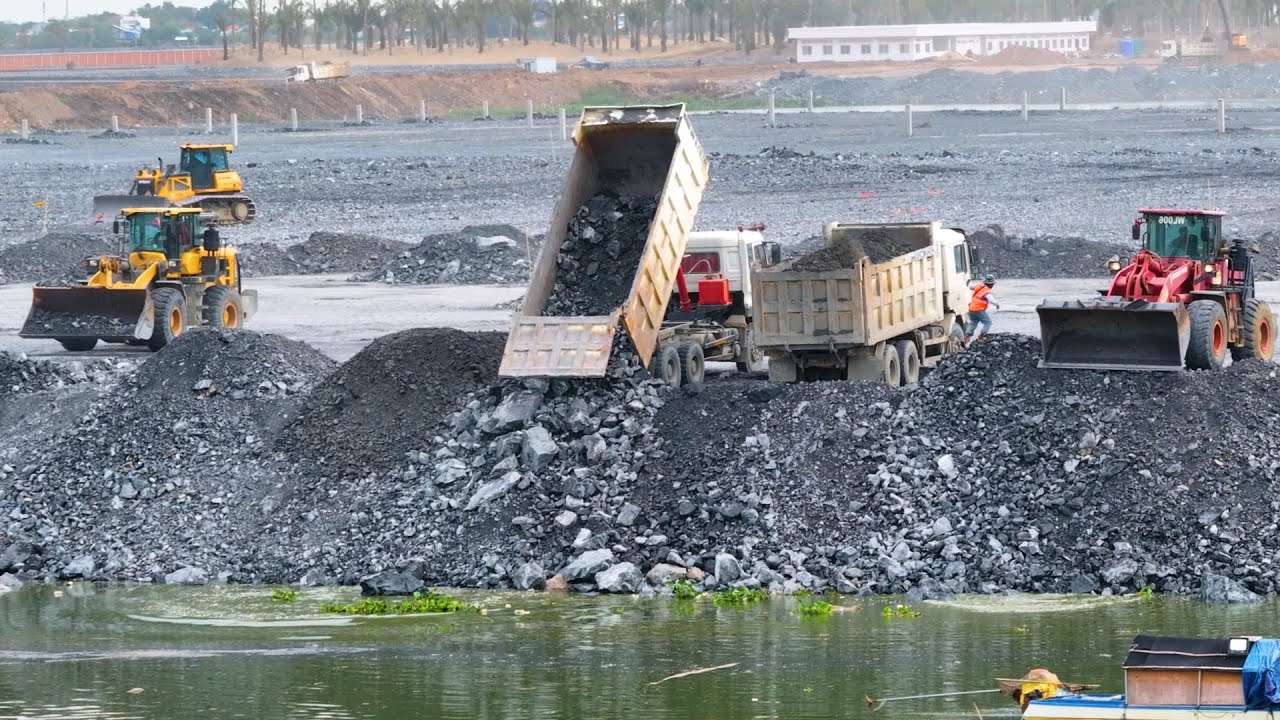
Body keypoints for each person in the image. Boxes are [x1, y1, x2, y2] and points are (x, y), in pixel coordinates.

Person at [965, 274, 999, 346]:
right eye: (992, 284)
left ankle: (966, 336)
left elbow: (971, 287)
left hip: (971, 308)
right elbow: (991, 300)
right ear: (989, 284)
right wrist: (997, 304)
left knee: (973, 322)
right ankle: (981, 337)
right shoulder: (986, 291)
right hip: (979, 309)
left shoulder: (979, 286)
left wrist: (968, 282)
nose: (992, 285)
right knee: (988, 322)